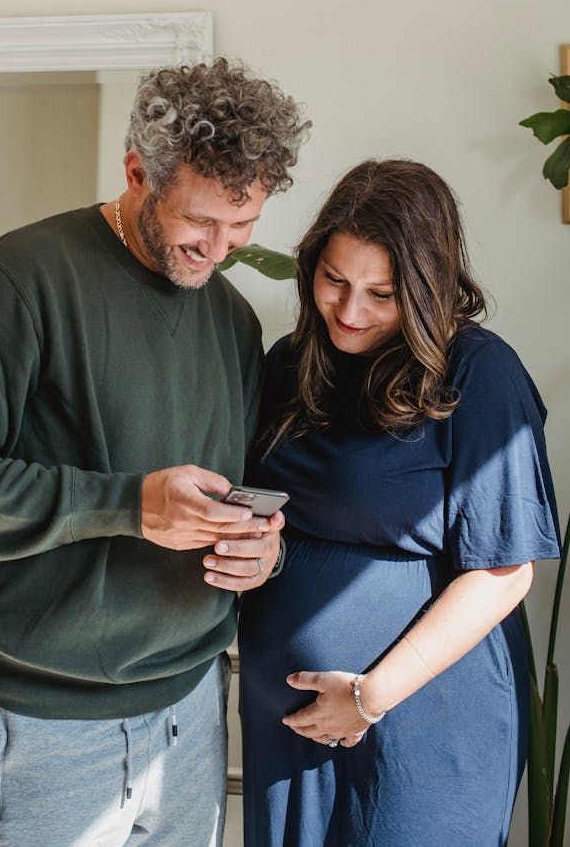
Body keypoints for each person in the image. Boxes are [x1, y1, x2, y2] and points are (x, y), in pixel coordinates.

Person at [0, 57, 310, 847]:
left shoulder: (232, 323)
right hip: (45, 724)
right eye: (200, 222)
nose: (220, 249)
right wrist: (127, 504)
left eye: (243, 224)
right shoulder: (17, 280)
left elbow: (238, 497)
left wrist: (264, 556)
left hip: (191, 710)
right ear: (137, 172)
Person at [238, 158, 561, 847]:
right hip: (288, 726)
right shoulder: (288, 365)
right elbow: (276, 515)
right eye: (334, 280)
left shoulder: (479, 373)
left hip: (421, 723)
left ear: (426, 289)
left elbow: (504, 571)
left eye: (382, 294)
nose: (350, 312)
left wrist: (368, 696)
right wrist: (263, 549)